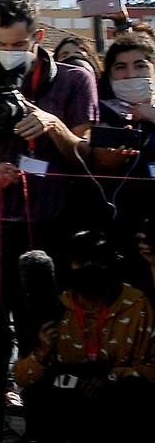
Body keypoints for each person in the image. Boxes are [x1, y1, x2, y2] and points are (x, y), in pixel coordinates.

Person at [0, 0, 98, 443]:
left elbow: (89, 156)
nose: (7, 53)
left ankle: (43, 430)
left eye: (16, 43)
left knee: (43, 328)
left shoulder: (75, 80)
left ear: (38, 38)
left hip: (49, 220)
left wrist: (54, 125)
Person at [13, 230, 155, 443]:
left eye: (98, 262)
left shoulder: (138, 306)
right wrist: (42, 352)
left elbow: (153, 369)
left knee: (136, 389)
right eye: (81, 262)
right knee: (43, 393)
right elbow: (22, 379)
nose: (90, 269)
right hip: (71, 399)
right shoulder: (56, 307)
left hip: (118, 399)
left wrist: (112, 377)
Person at [89, 30, 155, 293]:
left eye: (140, 66)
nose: (131, 75)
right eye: (121, 68)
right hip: (118, 240)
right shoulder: (100, 115)